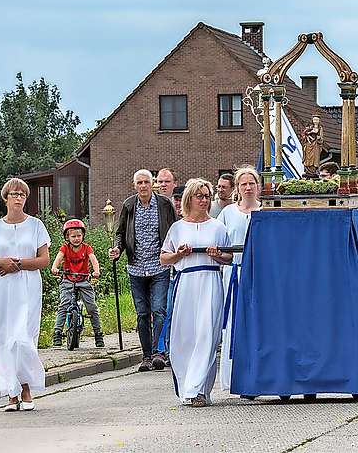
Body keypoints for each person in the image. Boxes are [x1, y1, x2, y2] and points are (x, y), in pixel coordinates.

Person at [159, 178, 232, 407]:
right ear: (189, 199)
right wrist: (179, 255)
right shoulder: (178, 228)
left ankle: (198, 389)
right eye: (199, 196)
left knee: (206, 335)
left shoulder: (217, 227)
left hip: (210, 281)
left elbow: (228, 257)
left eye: (207, 196)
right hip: (186, 283)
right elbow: (164, 258)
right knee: (185, 336)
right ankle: (186, 385)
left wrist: (217, 255)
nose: (204, 200)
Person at [0, 177, 50, 411]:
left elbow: (43, 260)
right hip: (2, 288)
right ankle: (11, 392)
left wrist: (18, 264)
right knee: (4, 339)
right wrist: (3, 262)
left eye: (22, 195)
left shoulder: (36, 226)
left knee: (23, 338)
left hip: (28, 286)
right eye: (14, 194)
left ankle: (26, 387)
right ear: (6, 198)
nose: (19, 198)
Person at [110, 169, 177, 372]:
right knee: (141, 313)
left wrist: (176, 253)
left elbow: (175, 229)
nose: (143, 186)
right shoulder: (129, 205)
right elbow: (120, 233)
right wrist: (117, 249)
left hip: (159, 266)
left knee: (159, 310)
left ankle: (158, 352)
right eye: (139, 182)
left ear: (153, 183)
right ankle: (146, 356)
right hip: (136, 267)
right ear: (134, 185)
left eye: (146, 182)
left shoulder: (165, 204)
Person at [216, 166, 261, 392]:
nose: (248, 187)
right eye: (243, 183)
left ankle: (258, 374)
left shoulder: (265, 212)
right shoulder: (228, 213)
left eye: (251, 183)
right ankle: (234, 376)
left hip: (260, 275)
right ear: (237, 188)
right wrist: (218, 255)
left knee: (257, 323)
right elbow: (223, 247)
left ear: (257, 185)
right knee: (234, 323)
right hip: (235, 272)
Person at [51, 219, 103, 348]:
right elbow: (58, 258)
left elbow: (93, 260)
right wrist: (55, 267)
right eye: (73, 236)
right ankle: (57, 332)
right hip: (68, 280)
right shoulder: (65, 247)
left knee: (92, 307)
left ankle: (98, 334)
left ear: (83, 236)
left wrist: (96, 271)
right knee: (64, 305)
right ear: (67, 237)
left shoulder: (87, 248)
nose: (76, 239)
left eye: (79, 236)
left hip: (84, 280)